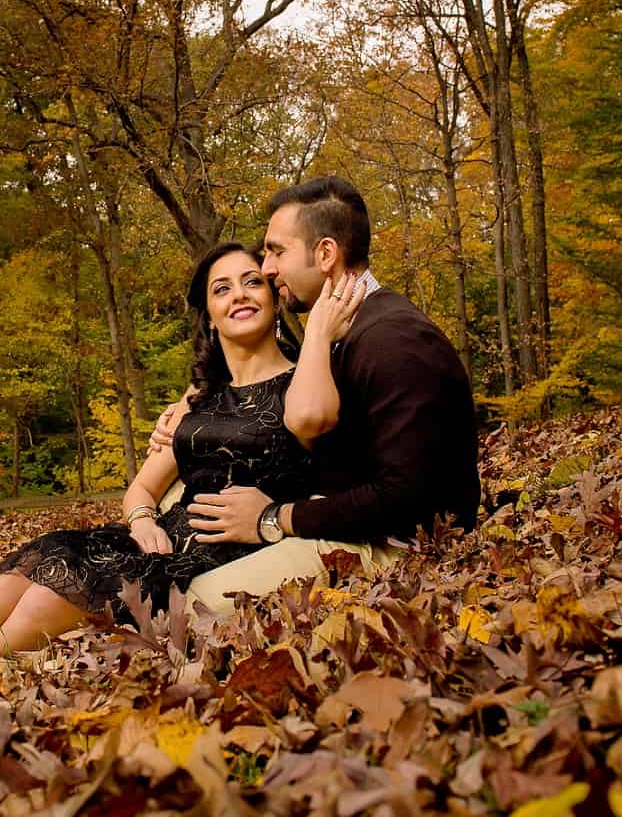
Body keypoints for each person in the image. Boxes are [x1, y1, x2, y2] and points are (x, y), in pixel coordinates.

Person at [0, 240, 366, 688]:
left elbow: (332, 456)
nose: (240, 295)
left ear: (274, 296)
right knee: (44, 553)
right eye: (221, 289)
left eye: (252, 281)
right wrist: (143, 521)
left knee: (53, 589)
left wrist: (277, 512)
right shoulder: (198, 397)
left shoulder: (305, 378)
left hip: (220, 553)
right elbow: (142, 489)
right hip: (160, 539)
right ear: (210, 315)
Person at [171, 176, 479, 611]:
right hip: (343, 520)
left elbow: (408, 498)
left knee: (194, 603)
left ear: (326, 253)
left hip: (398, 545)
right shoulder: (342, 330)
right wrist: (188, 408)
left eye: (277, 251)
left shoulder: (395, 341)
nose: (268, 267)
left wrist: (273, 518)